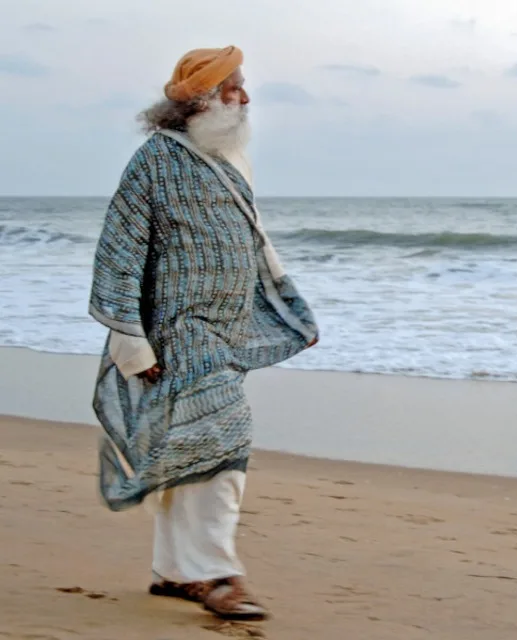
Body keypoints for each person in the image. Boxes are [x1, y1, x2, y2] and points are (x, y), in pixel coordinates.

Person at [89, 46, 319, 622]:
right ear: (200, 99)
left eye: (242, 87)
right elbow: (119, 253)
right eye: (233, 88)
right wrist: (131, 343)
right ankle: (215, 574)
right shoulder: (155, 159)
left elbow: (255, 241)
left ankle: (173, 572)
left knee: (191, 445)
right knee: (223, 441)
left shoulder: (231, 159)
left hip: (227, 329)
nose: (245, 98)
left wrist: (293, 311)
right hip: (179, 332)